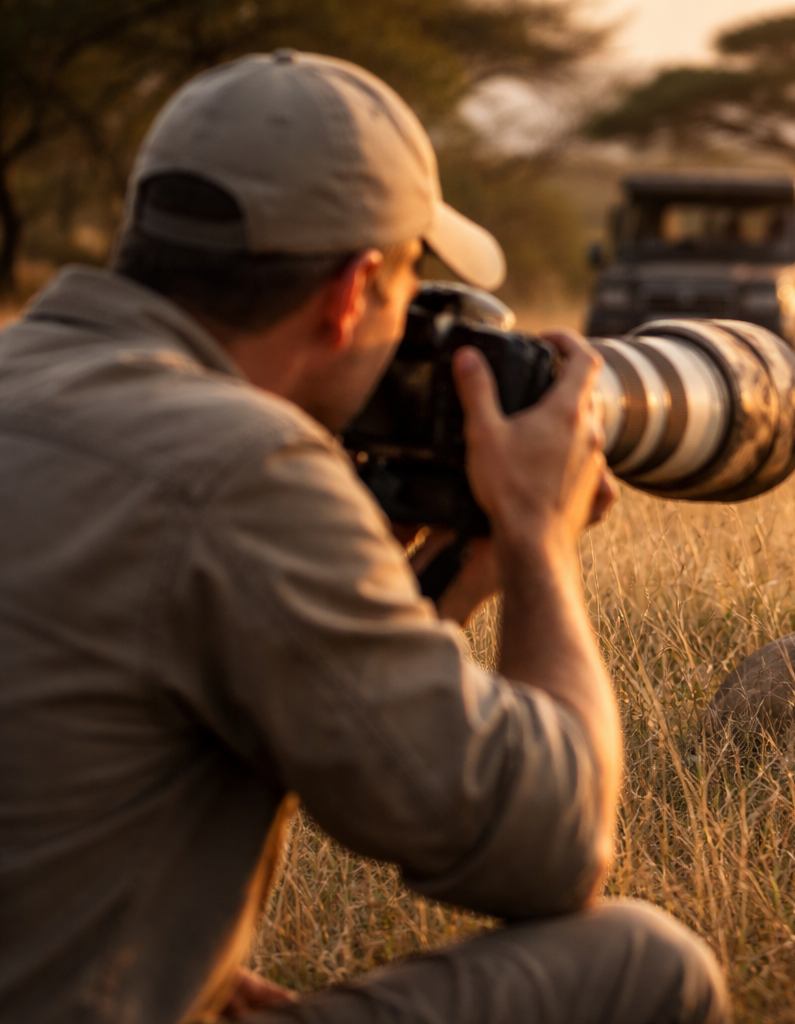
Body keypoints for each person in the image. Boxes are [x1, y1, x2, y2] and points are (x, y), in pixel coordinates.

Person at [0, 50, 728, 1024]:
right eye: (411, 287)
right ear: (353, 293)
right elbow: (550, 851)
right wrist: (536, 542)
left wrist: (443, 588)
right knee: (643, 962)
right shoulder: (242, 468)